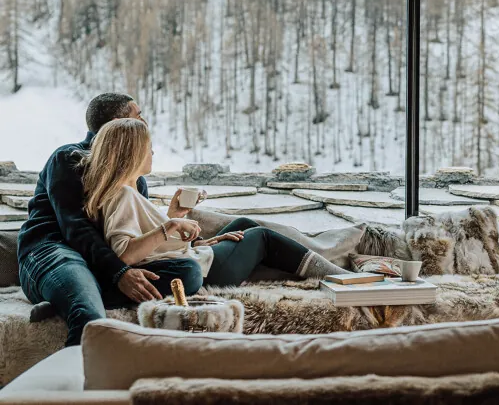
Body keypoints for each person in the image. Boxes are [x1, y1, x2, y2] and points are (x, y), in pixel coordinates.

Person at [83, 118, 350, 293]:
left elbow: (151, 243)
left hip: (194, 257)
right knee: (261, 237)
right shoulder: (122, 196)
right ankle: (342, 278)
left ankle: (317, 271)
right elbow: (124, 255)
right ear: (132, 154)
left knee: (244, 226)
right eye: (148, 147)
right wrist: (172, 225)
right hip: (203, 272)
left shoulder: (130, 192)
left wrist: (185, 227)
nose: (153, 153)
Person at [17, 93, 197, 346]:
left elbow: (129, 237)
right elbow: (75, 227)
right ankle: (75, 378)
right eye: (138, 116)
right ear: (118, 122)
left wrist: (171, 219)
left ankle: (65, 299)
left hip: (99, 263)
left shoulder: (136, 178)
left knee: (187, 272)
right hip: (54, 252)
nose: (144, 122)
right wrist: (119, 272)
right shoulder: (69, 158)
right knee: (90, 317)